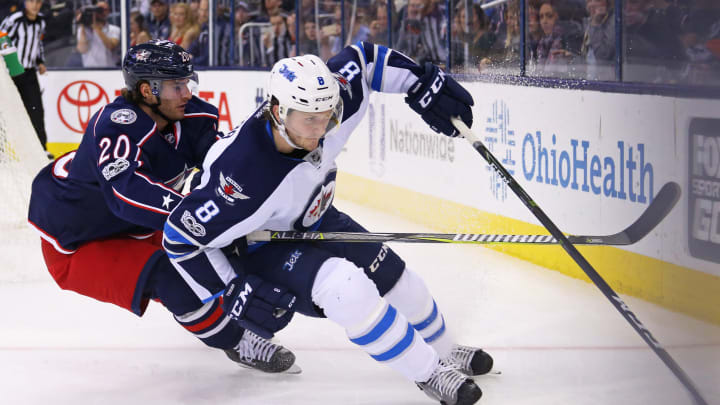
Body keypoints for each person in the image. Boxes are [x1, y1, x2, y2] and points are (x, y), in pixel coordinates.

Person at [163, 44, 494, 404]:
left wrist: (420, 81)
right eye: (310, 120)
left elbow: (366, 58)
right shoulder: (240, 177)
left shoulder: (325, 101)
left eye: (328, 116)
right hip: (260, 247)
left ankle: (446, 349)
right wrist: (230, 289)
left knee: (396, 277)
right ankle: (430, 373)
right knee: (347, 289)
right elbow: (179, 237)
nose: (321, 129)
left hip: (314, 214)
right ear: (278, 111)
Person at [27, 40, 298, 374]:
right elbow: (127, 193)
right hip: (78, 241)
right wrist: (195, 215)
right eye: (176, 85)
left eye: (187, 82)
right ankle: (236, 341)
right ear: (147, 91)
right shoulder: (116, 126)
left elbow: (224, 165)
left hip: (136, 225)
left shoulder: (191, 117)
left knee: (223, 248)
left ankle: (224, 312)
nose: (187, 93)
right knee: (168, 276)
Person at [0, 0, 50, 158]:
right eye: (32, 1)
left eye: (39, 2)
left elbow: (38, 43)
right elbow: (2, 38)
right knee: (6, 111)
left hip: (29, 73)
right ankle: (3, 149)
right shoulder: (14, 20)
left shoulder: (41, 21)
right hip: (11, 74)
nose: (35, 5)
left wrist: (40, 61)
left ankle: (41, 148)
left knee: (36, 110)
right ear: (25, 2)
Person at [75, 1, 120, 67]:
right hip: (90, 70)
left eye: (105, 10)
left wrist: (96, 27)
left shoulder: (114, 29)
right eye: (100, 9)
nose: (102, 12)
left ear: (109, 12)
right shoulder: (83, 30)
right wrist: (82, 22)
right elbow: (83, 50)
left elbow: (111, 46)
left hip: (110, 71)